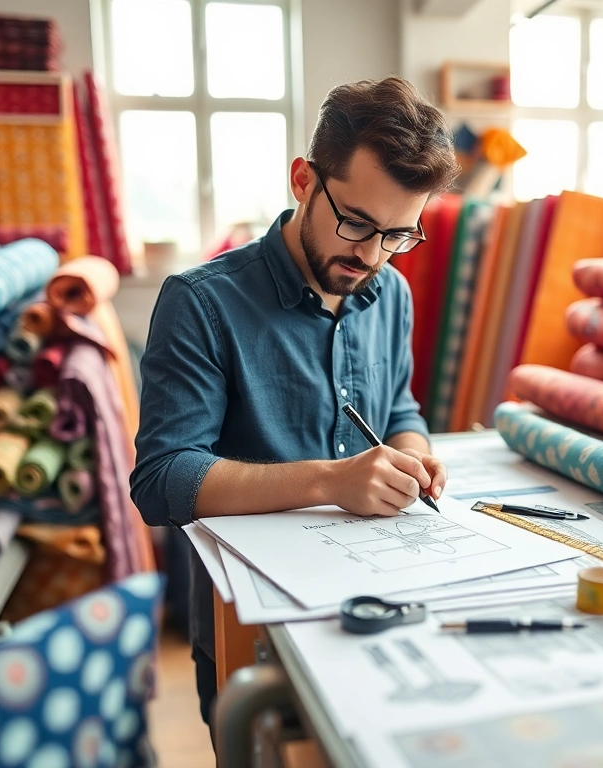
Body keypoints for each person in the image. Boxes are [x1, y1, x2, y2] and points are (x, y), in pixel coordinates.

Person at [130, 76, 460, 725]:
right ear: (303, 179)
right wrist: (334, 481)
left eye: (398, 234)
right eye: (356, 222)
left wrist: (412, 453)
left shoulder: (389, 292)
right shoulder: (201, 303)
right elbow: (162, 481)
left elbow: (397, 410)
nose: (370, 255)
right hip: (254, 622)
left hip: (378, 597)